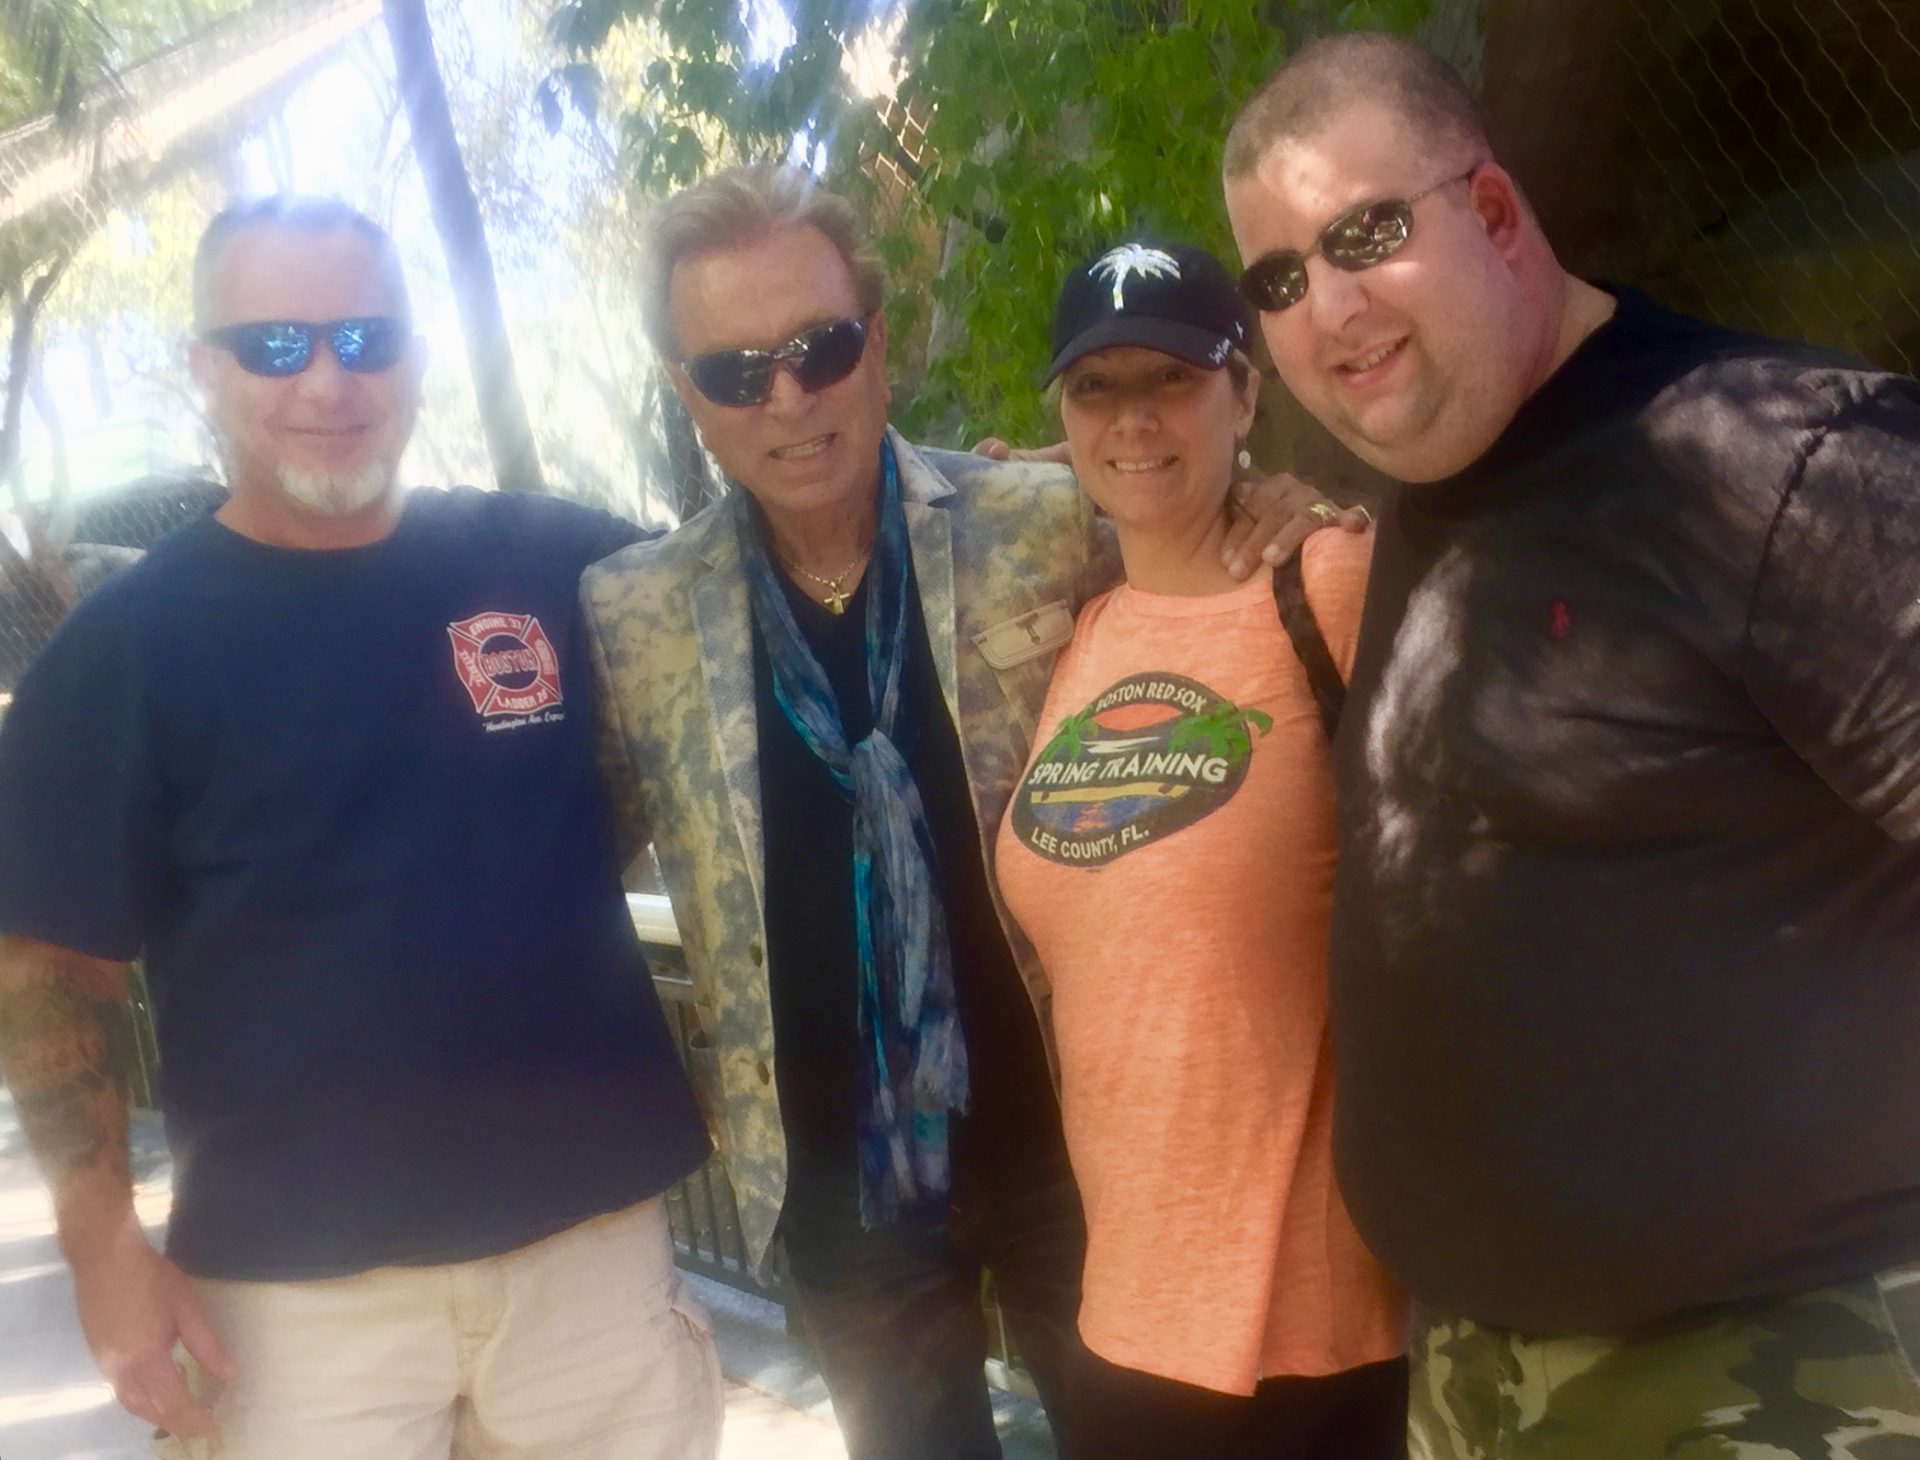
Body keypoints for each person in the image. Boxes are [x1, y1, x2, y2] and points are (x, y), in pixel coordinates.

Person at [1220, 31, 1920, 1456]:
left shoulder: (1781, 460)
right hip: (1484, 1372)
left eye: (1363, 233)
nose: (1328, 305)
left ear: (1491, 214)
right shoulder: (1434, 474)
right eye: (1280, 277)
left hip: (1779, 1372)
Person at [581, 163, 1346, 1460]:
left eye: (821, 349)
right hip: (835, 1184)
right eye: (734, 370)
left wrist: (1275, 499)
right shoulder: (633, 616)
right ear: (687, 395)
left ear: (877, 346)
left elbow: (1194, 554)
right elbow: (554, 861)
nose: (787, 397)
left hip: (1068, 1142)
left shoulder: (1039, 520)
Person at [0, 196, 718, 1460]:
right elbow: (50, 969)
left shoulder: (555, 562)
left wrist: (1030, 499)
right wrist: (106, 1251)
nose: (328, 378)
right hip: (296, 1310)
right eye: (276, 344)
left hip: (591, 1266)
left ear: (415, 357)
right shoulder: (124, 654)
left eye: (366, 337)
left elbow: (773, 571)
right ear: (204, 370)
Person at [992, 238, 1406, 1460]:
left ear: (1246, 392)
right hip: (1121, 1315)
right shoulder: (1086, 630)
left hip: (1318, 1325)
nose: (1133, 419)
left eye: (1172, 377)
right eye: (1096, 388)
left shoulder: (1334, 586)